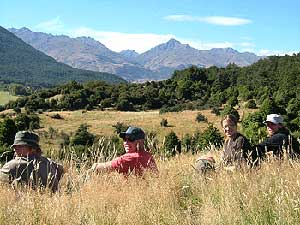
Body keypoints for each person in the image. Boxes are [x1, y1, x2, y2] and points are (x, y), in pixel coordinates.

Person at [91, 126, 158, 176]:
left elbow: (98, 168)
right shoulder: (148, 156)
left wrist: (94, 166)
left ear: (140, 141)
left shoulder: (129, 158)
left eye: (131, 139)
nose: (126, 142)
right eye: (124, 139)